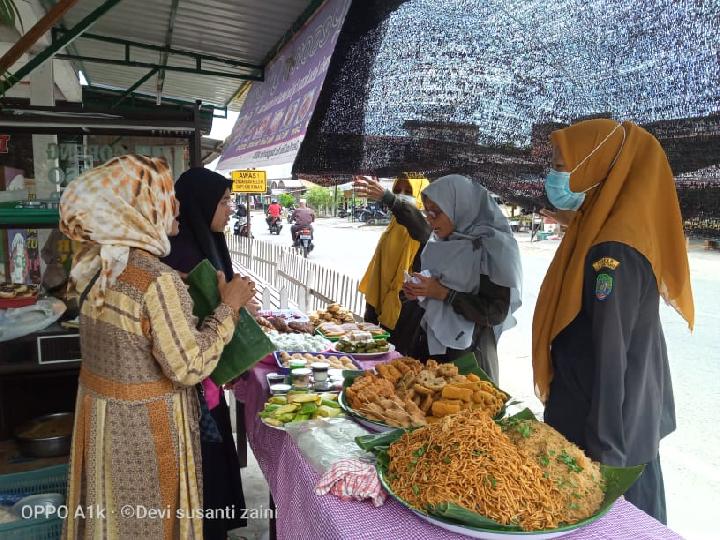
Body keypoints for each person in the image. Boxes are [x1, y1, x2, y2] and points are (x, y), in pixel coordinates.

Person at [59, 155, 256, 539]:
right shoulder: (155, 280)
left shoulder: (92, 266)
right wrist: (229, 308)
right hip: (148, 429)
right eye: (166, 196)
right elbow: (189, 365)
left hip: (103, 420)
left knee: (113, 517)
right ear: (137, 208)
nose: (177, 206)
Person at [532, 119, 694, 524]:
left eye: (562, 163)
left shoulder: (613, 251)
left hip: (605, 439)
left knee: (622, 526)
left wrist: (606, 462)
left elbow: (610, 355)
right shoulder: (608, 229)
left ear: (596, 164)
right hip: (622, 424)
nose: (556, 175)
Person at [162, 167, 256, 539]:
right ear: (201, 205)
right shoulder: (181, 254)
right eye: (223, 201)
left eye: (230, 199)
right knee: (203, 475)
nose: (231, 208)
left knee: (215, 468)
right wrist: (232, 306)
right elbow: (193, 329)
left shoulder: (208, 241)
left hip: (209, 382)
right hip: (193, 389)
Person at [355, 174, 522, 382]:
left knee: (461, 413)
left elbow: (495, 312)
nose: (430, 219)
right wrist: (417, 293)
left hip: (468, 361)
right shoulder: (440, 242)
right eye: (428, 213)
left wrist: (443, 293)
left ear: (459, 207)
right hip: (430, 352)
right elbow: (428, 288)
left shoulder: (493, 248)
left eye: (436, 212)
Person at [358, 173, 429, 330]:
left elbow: (419, 227)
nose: (402, 195)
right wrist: (371, 308)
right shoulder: (393, 225)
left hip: (405, 312)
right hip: (380, 307)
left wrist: (389, 198)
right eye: (398, 190)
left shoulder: (425, 226)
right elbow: (377, 268)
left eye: (408, 191)